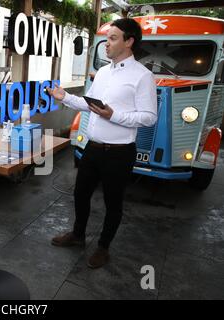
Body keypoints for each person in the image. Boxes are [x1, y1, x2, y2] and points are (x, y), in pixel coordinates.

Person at [48, 18, 157, 268]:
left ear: (129, 42)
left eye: (113, 38)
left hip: (119, 153)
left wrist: (113, 115)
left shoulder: (143, 76)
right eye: (107, 38)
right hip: (92, 148)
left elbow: (150, 118)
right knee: (80, 194)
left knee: (113, 203)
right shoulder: (104, 72)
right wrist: (64, 97)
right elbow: (91, 106)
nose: (106, 43)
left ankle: (103, 248)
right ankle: (77, 235)